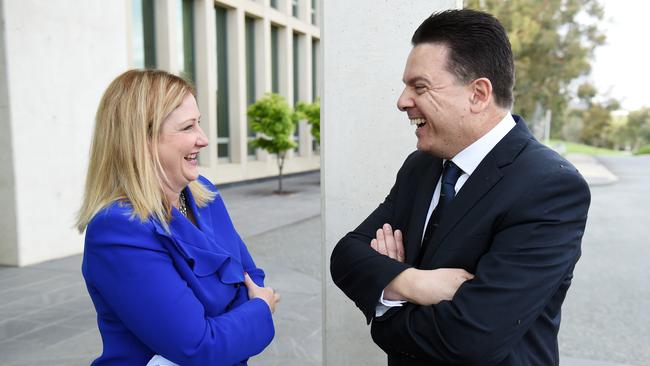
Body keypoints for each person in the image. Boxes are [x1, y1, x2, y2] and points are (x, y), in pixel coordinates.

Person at [330, 9, 590, 366]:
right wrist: (411, 283)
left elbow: (468, 340)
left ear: (479, 94)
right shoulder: (420, 167)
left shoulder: (550, 187)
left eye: (419, 86)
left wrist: (385, 306)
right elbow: (346, 255)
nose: (402, 101)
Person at [76, 69, 279, 366]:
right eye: (187, 128)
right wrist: (260, 308)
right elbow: (201, 349)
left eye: (199, 124)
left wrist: (226, 327)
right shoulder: (118, 230)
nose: (204, 139)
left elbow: (251, 275)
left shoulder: (202, 192)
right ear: (141, 141)